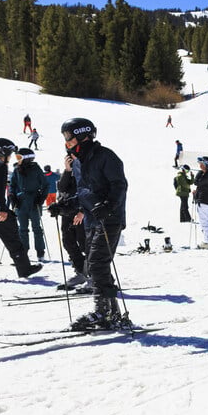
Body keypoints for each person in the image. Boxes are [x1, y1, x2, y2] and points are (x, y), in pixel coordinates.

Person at [60, 118, 128, 329]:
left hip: (109, 218)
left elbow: (119, 185)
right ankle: (112, 313)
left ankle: (103, 312)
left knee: (98, 263)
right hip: (91, 220)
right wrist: (65, 206)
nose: (66, 142)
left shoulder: (105, 156)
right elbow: (83, 193)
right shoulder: (79, 161)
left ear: (82, 135)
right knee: (96, 265)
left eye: (68, 137)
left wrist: (109, 204)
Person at [0, 138, 41, 278]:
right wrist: (3, 208)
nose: (10, 158)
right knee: (12, 238)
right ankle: (24, 269)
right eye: (10, 153)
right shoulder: (0, 165)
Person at [48, 152, 87, 289]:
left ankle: (97, 277)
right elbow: (62, 188)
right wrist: (67, 169)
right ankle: (81, 272)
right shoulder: (69, 172)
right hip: (68, 213)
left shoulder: (86, 169)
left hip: (83, 213)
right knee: (68, 242)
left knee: (86, 244)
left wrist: (82, 211)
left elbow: (87, 193)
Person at [9, 148, 48, 262]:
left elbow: (45, 185)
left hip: (34, 202)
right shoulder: (17, 169)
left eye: (19, 157)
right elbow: (12, 184)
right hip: (21, 203)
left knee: (36, 228)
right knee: (22, 229)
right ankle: (24, 252)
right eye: (17, 157)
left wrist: (41, 198)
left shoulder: (36, 169)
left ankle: (40, 251)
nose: (17, 160)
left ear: (27, 158)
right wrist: (12, 195)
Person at [192, 155, 208, 249]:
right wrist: (196, 193)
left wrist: (199, 173)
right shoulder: (207, 174)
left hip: (205, 201)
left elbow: (197, 183)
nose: (200, 166)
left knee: (205, 222)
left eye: (201, 164)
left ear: (206, 165)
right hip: (205, 201)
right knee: (205, 222)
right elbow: (201, 187)